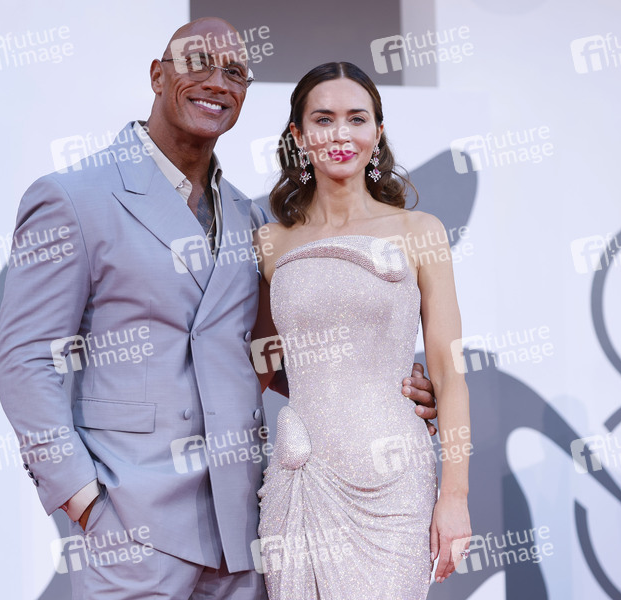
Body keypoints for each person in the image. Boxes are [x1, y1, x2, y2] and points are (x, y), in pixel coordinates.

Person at [0, 19, 438, 600]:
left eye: (234, 72)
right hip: (130, 519)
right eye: (197, 62)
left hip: (242, 524)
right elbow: (24, 360)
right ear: (157, 75)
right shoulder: (74, 197)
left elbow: (258, 353)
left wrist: (381, 384)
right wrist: (80, 495)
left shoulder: (249, 217)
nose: (216, 81)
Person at [253, 62, 471, 599]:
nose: (340, 134)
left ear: (377, 132)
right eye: (323, 119)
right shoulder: (270, 242)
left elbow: (449, 372)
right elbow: (260, 361)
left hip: (394, 482)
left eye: (356, 118)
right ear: (298, 135)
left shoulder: (419, 231)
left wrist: (455, 497)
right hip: (300, 478)